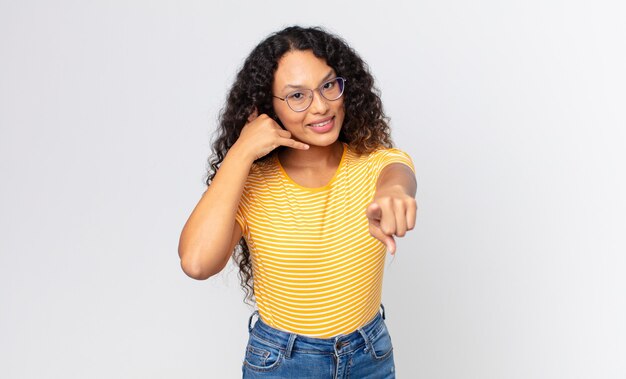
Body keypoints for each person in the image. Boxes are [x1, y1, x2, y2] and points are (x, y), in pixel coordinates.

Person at [178, 25, 417, 378]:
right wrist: (241, 151)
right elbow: (197, 263)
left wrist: (394, 193)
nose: (321, 106)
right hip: (282, 363)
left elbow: (398, 176)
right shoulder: (250, 186)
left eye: (328, 85)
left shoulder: (376, 163)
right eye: (297, 96)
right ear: (265, 108)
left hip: (369, 358)